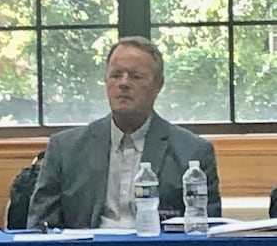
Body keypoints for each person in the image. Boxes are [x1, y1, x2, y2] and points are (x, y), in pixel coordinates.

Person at [27, 36, 221, 229]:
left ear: (158, 85)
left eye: (136, 76)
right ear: (105, 81)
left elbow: (206, 232)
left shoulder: (192, 152)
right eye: (116, 75)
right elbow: (39, 227)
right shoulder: (65, 149)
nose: (124, 83)